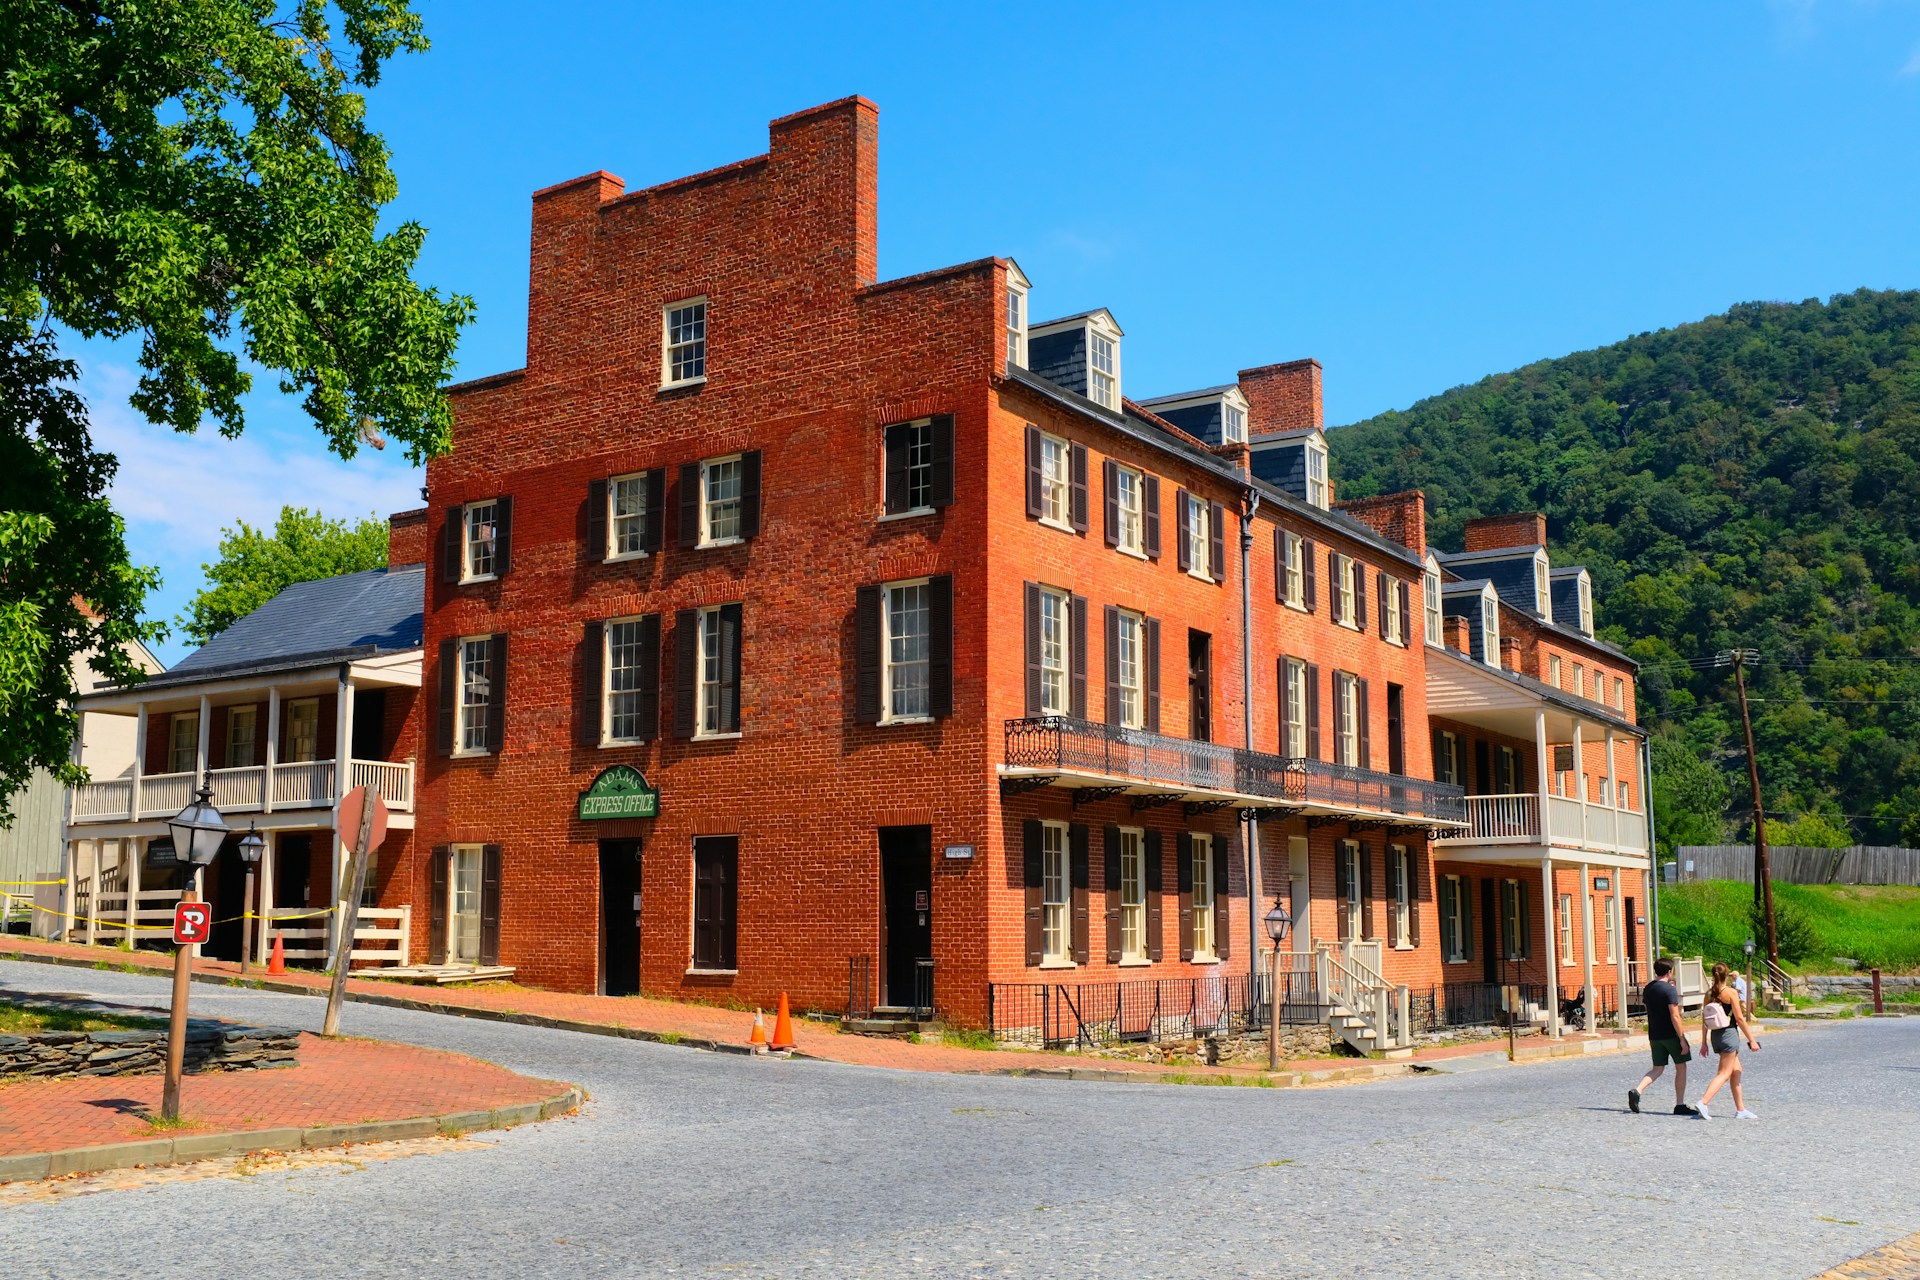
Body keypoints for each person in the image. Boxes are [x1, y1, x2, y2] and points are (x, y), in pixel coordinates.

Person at [1629, 957, 1697, 1116]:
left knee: (1657, 1068)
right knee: (1681, 1067)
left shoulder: (1648, 988)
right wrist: (1682, 1038)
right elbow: (1675, 1016)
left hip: (1654, 1034)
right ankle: (1679, 1104)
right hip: (1671, 1034)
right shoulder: (1669, 989)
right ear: (1669, 971)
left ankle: (1637, 1091)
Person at [1695, 962, 1761, 1120]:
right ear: (1728, 975)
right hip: (1728, 1034)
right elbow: (1739, 1018)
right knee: (1724, 1073)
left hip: (1715, 1036)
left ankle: (1741, 1109)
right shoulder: (1731, 992)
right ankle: (1703, 1103)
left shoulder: (1709, 993)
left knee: (1736, 1070)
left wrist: (1704, 1042)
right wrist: (1752, 1040)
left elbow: (1704, 1019)